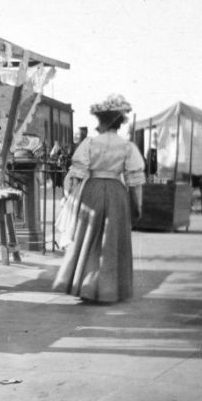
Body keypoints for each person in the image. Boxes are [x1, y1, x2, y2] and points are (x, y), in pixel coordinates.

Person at [52, 94, 145, 304]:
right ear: (120, 123)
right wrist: (136, 206)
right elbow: (135, 180)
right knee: (111, 240)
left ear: (101, 121)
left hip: (92, 190)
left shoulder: (89, 143)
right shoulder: (127, 147)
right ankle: (108, 289)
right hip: (116, 192)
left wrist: (70, 199)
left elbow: (76, 174)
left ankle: (85, 284)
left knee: (88, 238)